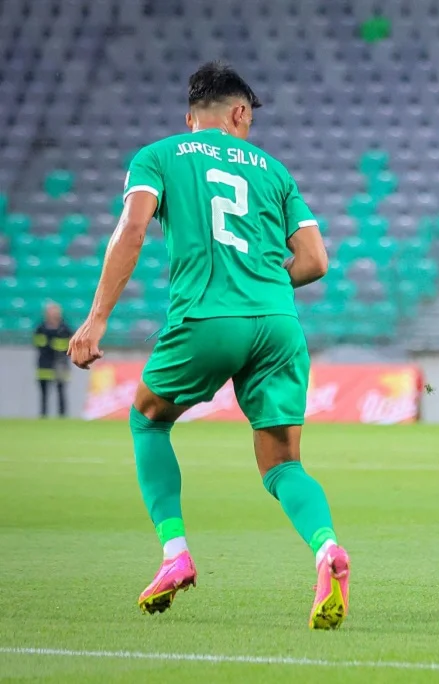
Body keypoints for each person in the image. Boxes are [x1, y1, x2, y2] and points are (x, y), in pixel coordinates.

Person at [67, 62, 350, 629]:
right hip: (277, 323)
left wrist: (96, 320)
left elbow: (132, 229)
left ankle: (175, 555)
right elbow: (317, 260)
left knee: (148, 419)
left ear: (190, 117)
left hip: (207, 318)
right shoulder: (274, 170)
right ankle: (326, 549)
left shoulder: (159, 156)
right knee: (282, 464)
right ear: (240, 113)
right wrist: (262, 282)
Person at [34, 301, 72, 418]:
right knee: (44, 393)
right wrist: (55, 345)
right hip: (44, 364)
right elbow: (39, 344)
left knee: (61, 391)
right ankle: (43, 415)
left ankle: (62, 415)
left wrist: (51, 344)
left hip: (60, 363)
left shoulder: (65, 328)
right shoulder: (40, 328)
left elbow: (69, 345)